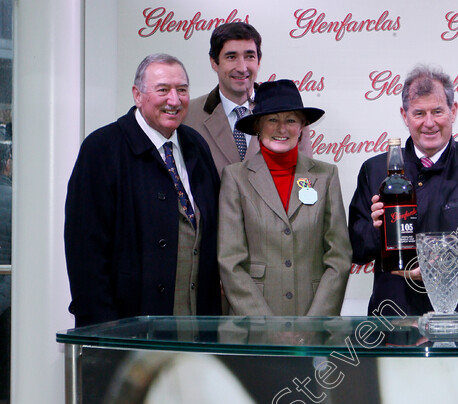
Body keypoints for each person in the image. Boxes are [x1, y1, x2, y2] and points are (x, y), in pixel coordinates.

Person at [64, 53, 221, 327]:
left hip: (196, 329)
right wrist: (105, 333)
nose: (174, 100)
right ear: (137, 95)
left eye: (182, 90)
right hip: (127, 333)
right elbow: (86, 255)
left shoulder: (196, 146)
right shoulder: (101, 149)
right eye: (163, 90)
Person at [348, 65, 458, 316]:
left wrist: (445, 268)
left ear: (453, 111)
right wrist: (376, 231)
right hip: (392, 320)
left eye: (437, 111)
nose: (429, 123)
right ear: (404, 115)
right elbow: (355, 250)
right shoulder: (374, 171)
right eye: (419, 113)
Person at [217, 80, 351, 315]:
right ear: (258, 125)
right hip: (253, 326)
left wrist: (315, 324)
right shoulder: (235, 178)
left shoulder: (326, 175)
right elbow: (230, 262)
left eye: (290, 120)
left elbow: (338, 258)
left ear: (302, 126)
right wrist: (266, 327)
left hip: (312, 319)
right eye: (272, 120)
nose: (282, 128)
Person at [184, 22, 262, 177]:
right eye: (231, 57)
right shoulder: (187, 117)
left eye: (249, 56)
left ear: (258, 61)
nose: (242, 68)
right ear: (214, 62)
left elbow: (304, 179)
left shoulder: (288, 114)